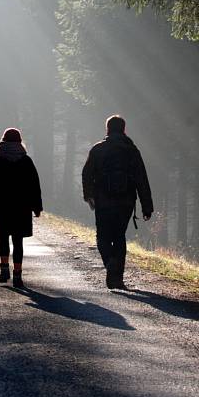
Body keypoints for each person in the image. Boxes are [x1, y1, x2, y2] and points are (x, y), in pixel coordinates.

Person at [82, 115, 153, 290]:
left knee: (103, 236)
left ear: (107, 129)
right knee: (119, 236)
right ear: (123, 129)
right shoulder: (131, 150)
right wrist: (147, 206)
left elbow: (86, 174)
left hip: (103, 200)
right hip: (126, 201)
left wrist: (89, 195)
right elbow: (141, 179)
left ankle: (110, 263)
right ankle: (118, 279)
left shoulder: (98, 149)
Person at [0, 127, 43, 289]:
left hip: (1, 206)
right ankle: (17, 274)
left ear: (3, 141)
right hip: (21, 207)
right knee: (18, 241)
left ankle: (4, 270)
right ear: (19, 141)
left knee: (3, 237)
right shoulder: (26, 161)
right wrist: (37, 207)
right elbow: (34, 186)